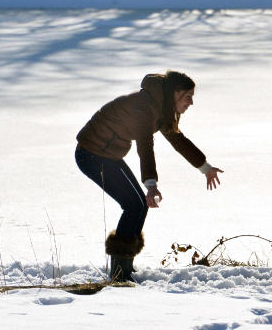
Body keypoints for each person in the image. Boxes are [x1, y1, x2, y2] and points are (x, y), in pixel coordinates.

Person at [75, 71, 222, 281]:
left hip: (106, 154)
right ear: (176, 93)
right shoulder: (143, 106)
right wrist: (151, 184)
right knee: (134, 205)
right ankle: (119, 273)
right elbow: (145, 145)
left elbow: (178, 140)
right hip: (92, 154)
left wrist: (205, 167)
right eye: (188, 96)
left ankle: (124, 267)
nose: (191, 102)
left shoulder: (160, 107)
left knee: (138, 205)